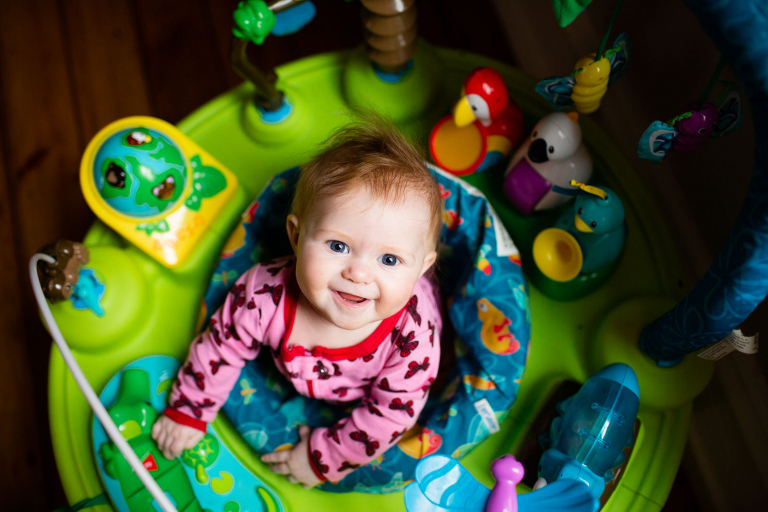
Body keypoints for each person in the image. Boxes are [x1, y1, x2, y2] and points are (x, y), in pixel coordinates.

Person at [151, 115, 443, 488]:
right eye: (338, 246)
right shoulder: (264, 294)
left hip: (371, 392)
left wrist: (325, 457)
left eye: (389, 260)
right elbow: (219, 346)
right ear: (296, 235)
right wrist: (189, 411)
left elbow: (391, 415)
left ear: (420, 268)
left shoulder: (413, 339)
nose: (359, 274)